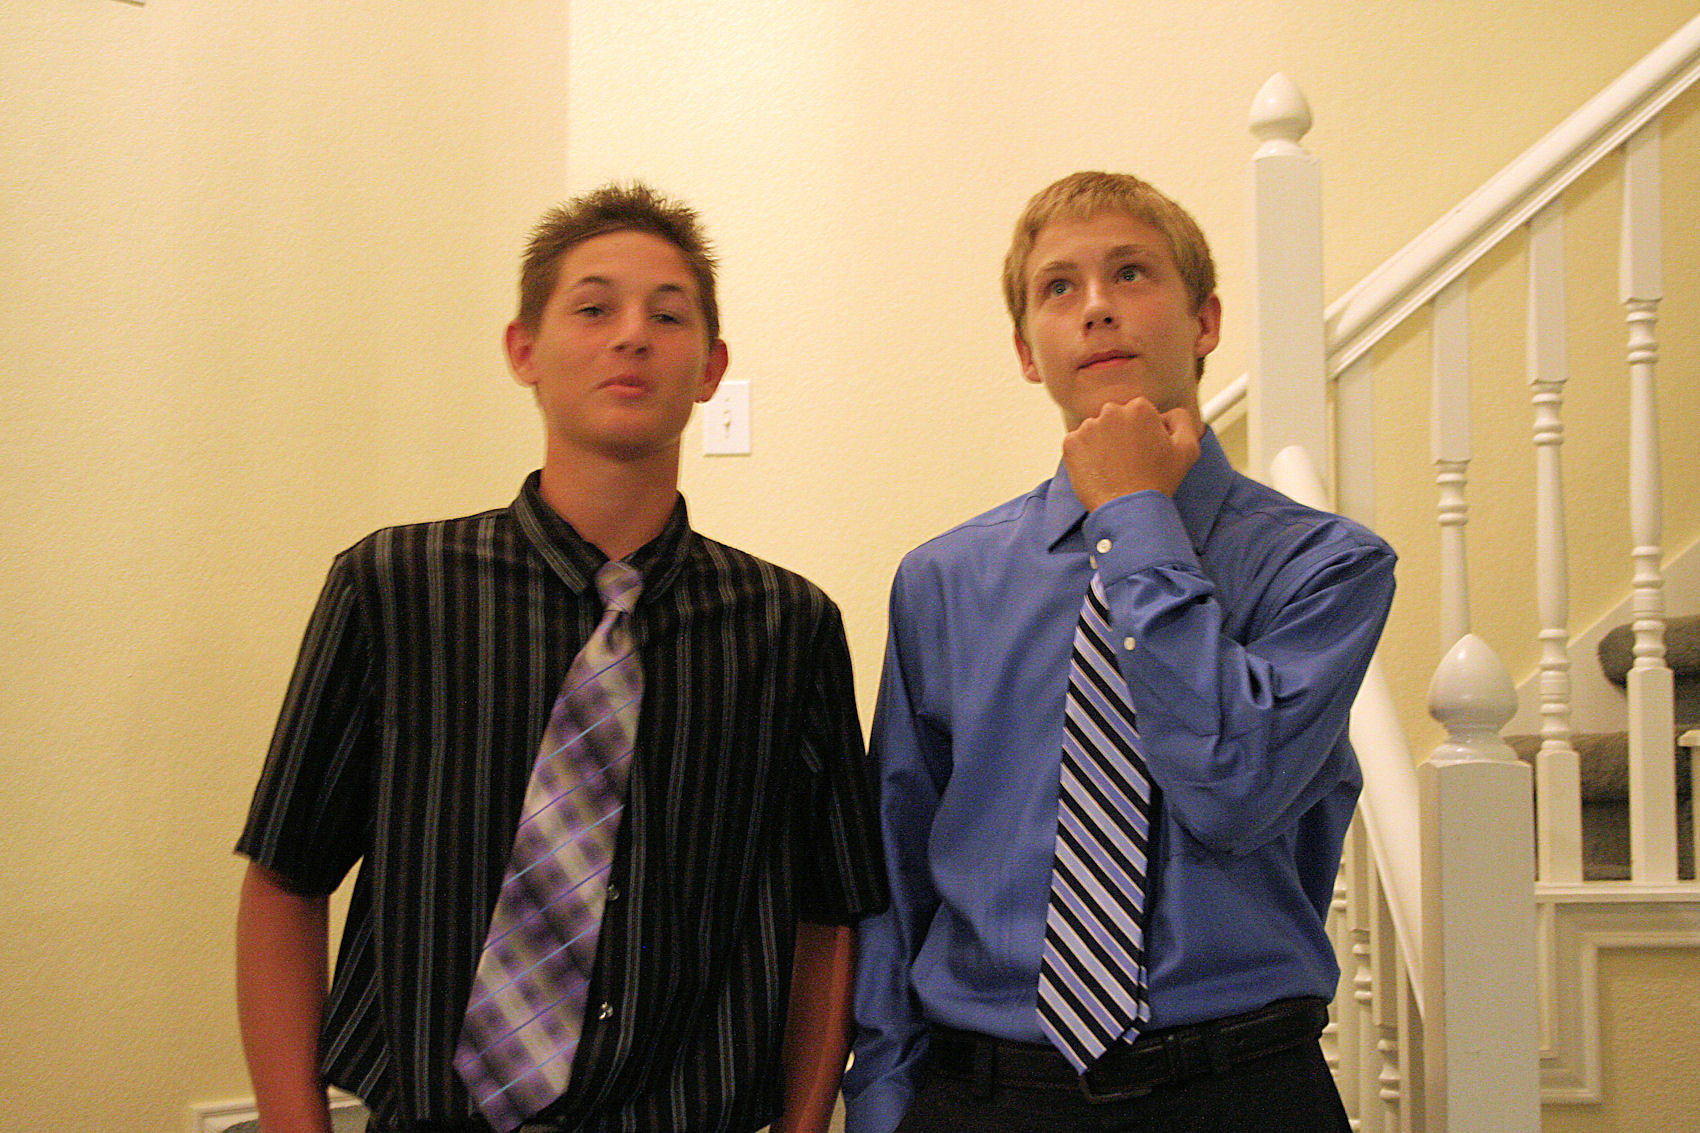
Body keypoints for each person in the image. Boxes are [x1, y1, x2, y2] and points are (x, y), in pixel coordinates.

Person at [235, 183, 886, 1133]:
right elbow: (286, 878)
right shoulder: (393, 587)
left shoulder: (787, 627)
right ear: (524, 351)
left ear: (711, 368)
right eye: (593, 307)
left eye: (668, 315)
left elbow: (829, 916)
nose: (632, 335)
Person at [843, 171, 1396, 1132]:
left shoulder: (1326, 566)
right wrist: (886, 1096)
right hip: (988, 1093)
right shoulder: (944, 580)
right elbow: (898, 866)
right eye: (1059, 287)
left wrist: (1136, 516)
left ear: (1206, 318)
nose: (1096, 307)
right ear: (1027, 352)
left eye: (1132, 273)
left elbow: (1232, 785)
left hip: (1241, 1088)